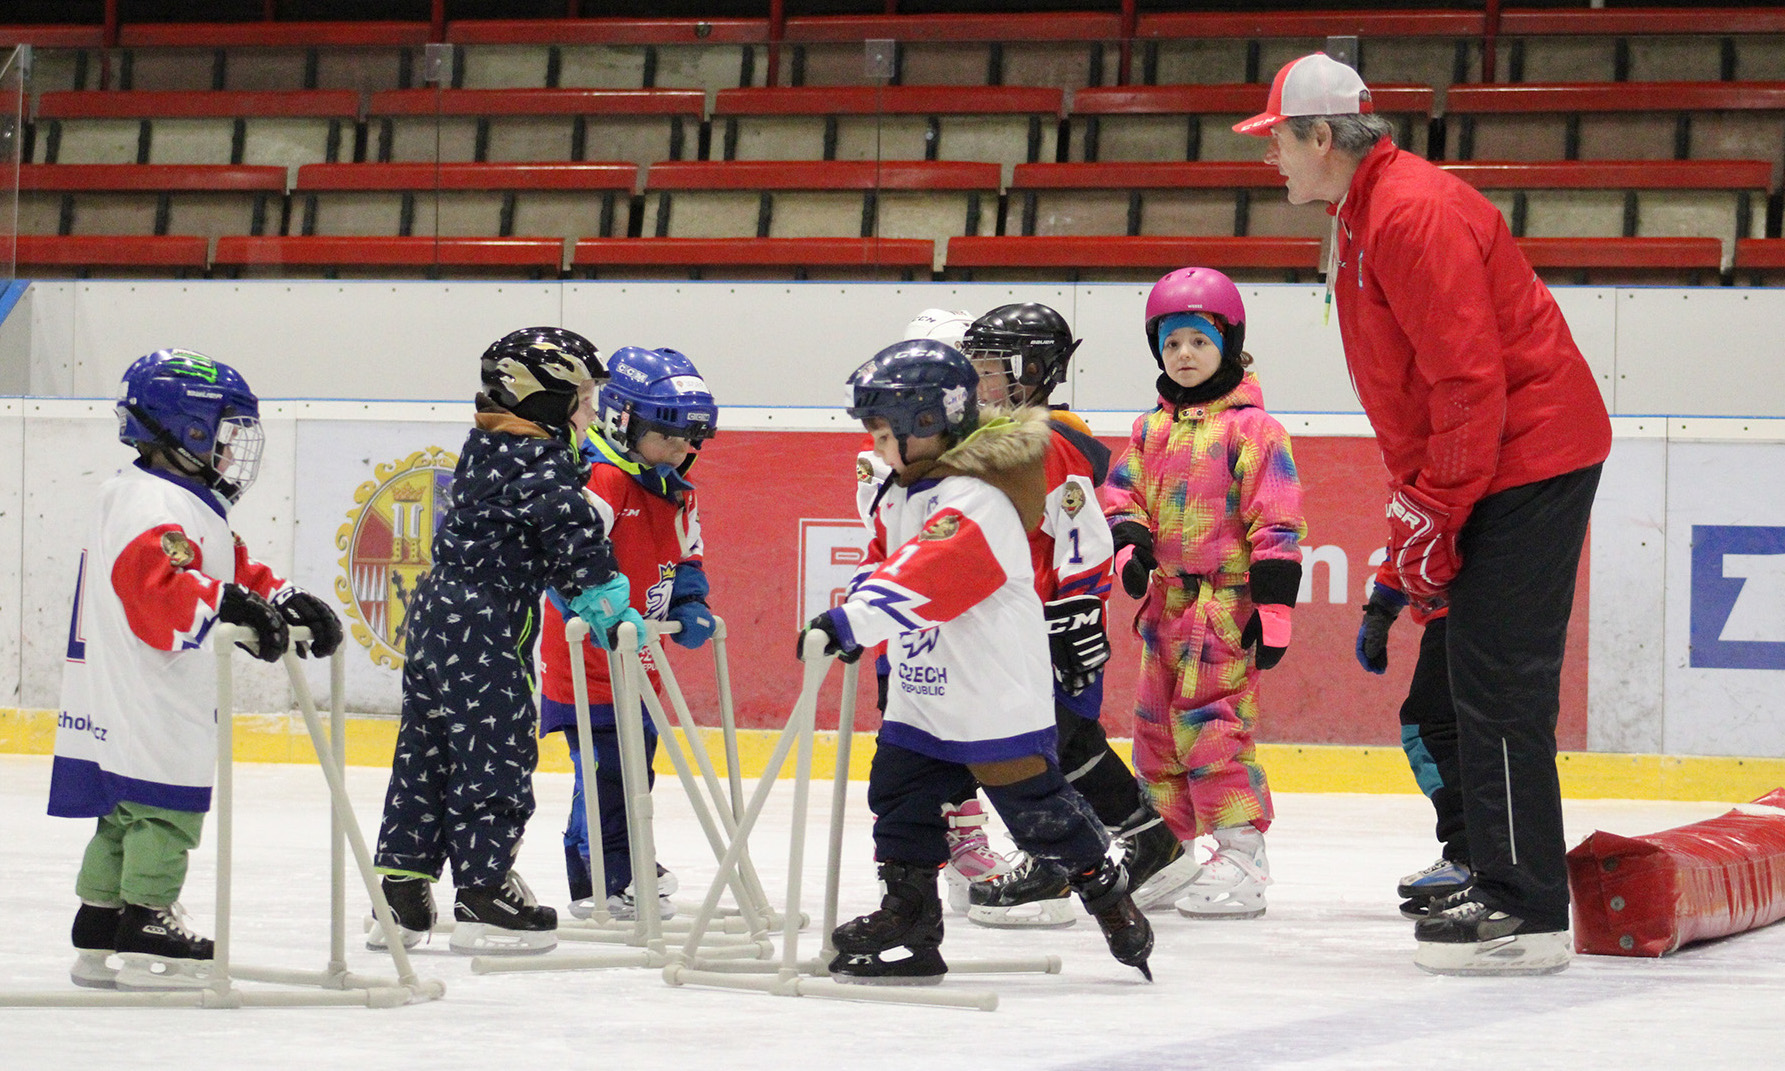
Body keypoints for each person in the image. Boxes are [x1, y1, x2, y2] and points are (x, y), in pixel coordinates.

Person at [1237, 51, 1612, 974]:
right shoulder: (1365, 210)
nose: (1270, 159)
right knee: (1460, 683)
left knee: (1496, 686)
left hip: (1523, 462)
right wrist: (1421, 507)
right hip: (1491, 464)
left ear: (1321, 137)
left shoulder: (1409, 213)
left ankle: (1523, 909)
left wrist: (1435, 509)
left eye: (1277, 140)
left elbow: (1465, 381)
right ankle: (1494, 870)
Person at [805, 338, 1153, 984]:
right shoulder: (898, 491)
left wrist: (856, 619)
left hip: (990, 695)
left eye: (885, 432)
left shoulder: (978, 501)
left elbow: (931, 570)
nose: (876, 446)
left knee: (1037, 813)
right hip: (922, 687)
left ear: (928, 425)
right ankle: (910, 913)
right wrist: (855, 603)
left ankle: (1103, 887)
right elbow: (881, 559)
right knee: (899, 796)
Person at [51, 348, 341, 990]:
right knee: (162, 811)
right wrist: (227, 604)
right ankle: (147, 920)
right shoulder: (150, 503)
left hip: (128, 690)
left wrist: (278, 594)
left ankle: (99, 922)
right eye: (224, 434)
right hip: (153, 690)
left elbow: (225, 569)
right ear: (187, 429)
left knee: (122, 812)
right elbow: (158, 588)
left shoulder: (162, 497)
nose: (231, 453)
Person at [372, 327, 642, 956]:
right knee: (495, 753)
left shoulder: (485, 447)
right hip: (485, 626)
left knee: (427, 750)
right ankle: (483, 888)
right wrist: (607, 603)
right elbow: (574, 542)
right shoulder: (540, 465)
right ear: (545, 402)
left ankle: (403, 892)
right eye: (581, 400)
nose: (591, 413)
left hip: (435, 617)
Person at [958, 302, 1199, 928]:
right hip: (1017, 622)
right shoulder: (998, 438)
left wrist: (1075, 615)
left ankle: (1068, 856)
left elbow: (1084, 538)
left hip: (1051, 626)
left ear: (1033, 370)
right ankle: (1137, 842)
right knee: (1057, 743)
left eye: (989, 367)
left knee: (1042, 744)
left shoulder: (1051, 442)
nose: (976, 379)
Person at [1101, 268, 1306, 921]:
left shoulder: (1253, 430)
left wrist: (1272, 607)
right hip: (1164, 606)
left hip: (1223, 604)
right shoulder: (1149, 429)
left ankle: (1243, 854)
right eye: (1170, 344)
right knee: (1155, 730)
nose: (1183, 355)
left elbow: (1276, 518)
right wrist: (1130, 543)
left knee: (1213, 728)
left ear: (1227, 342)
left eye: (1196, 340)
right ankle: (1166, 850)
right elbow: (1122, 493)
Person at [536, 346, 718, 922]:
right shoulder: (602, 480)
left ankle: (617, 862)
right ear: (622, 420)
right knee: (608, 767)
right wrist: (598, 621)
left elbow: (686, 558)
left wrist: (690, 602)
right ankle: (606, 873)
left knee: (633, 763)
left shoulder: (675, 491)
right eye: (670, 436)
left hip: (640, 662)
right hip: (588, 665)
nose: (684, 449)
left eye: (691, 438)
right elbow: (565, 565)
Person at [850, 308, 1019, 916]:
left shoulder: (991, 447)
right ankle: (940, 856)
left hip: (967, 622)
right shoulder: (886, 456)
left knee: (974, 733)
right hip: (911, 622)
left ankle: (965, 844)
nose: (984, 384)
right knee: (917, 748)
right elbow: (897, 544)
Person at [1355, 557, 1474, 919]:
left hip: (1465, 616)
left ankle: (1471, 856)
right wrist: (1381, 606)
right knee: (1482, 732)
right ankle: (1503, 858)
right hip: (1485, 614)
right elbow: (1410, 537)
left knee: (1430, 729)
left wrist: (1383, 607)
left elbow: (1425, 529)